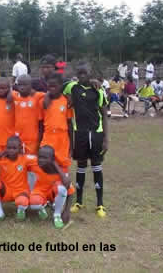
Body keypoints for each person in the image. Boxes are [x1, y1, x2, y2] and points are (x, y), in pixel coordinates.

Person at [63, 63, 109, 218]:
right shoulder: (73, 87)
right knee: (81, 165)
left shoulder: (99, 90)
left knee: (96, 166)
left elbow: (104, 114)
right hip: (80, 133)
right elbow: (60, 87)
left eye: (85, 73)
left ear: (91, 74)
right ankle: (79, 201)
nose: (82, 76)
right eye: (79, 73)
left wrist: (106, 139)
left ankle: (100, 204)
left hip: (96, 133)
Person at [0, 136, 38, 224]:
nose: (11, 150)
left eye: (14, 148)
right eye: (9, 148)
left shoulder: (25, 159)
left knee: (22, 201)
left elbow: (41, 160)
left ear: (20, 149)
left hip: (21, 191)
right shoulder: (1, 159)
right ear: (5, 149)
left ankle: (21, 210)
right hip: (6, 191)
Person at [29, 146, 74, 229]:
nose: (41, 160)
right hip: (40, 192)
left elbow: (70, 191)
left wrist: (67, 211)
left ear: (53, 159)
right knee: (33, 204)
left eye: (45, 158)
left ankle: (57, 215)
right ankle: (41, 207)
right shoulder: (34, 164)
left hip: (53, 193)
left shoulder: (61, 170)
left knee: (62, 188)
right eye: (40, 157)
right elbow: (21, 158)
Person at [41, 74, 73, 174]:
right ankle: (49, 188)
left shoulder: (66, 101)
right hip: (48, 137)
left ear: (61, 86)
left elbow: (70, 124)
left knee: (62, 164)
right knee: (46, 164)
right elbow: (40, 124)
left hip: (62, 138)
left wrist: (72, 146)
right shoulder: (44, 102)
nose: (52, 88)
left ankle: (63, 187)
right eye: (50, 86)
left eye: (55, 86)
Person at [9, 74, 44, 155]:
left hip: (32, 139)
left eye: (25, 84)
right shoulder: (15, 95)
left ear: (31, 86)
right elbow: (3, 89)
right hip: (17, 138)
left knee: (31, 162)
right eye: (20, 84)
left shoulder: (37, 96)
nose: (22, 87)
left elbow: (49, 94)